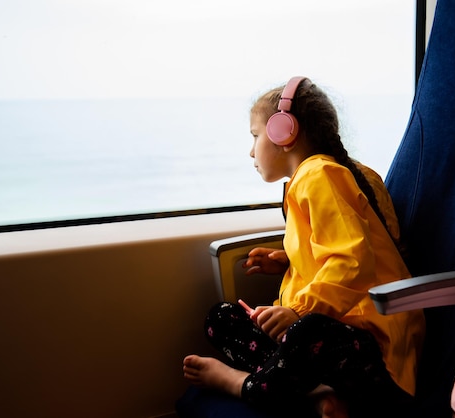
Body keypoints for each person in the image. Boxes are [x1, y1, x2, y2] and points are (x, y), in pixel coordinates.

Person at [182, 77, 425, 418]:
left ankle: (244, 384)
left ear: (285, 132)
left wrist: (299, 310)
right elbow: (336, 247)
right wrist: (288, 261)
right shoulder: (318, 178)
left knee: (307, 330)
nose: (251, 150)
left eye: (255, 135)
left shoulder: (319, 176)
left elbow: (355, 260)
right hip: (331, 349)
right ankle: (318, 394)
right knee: (222, 318)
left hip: (371, 351)